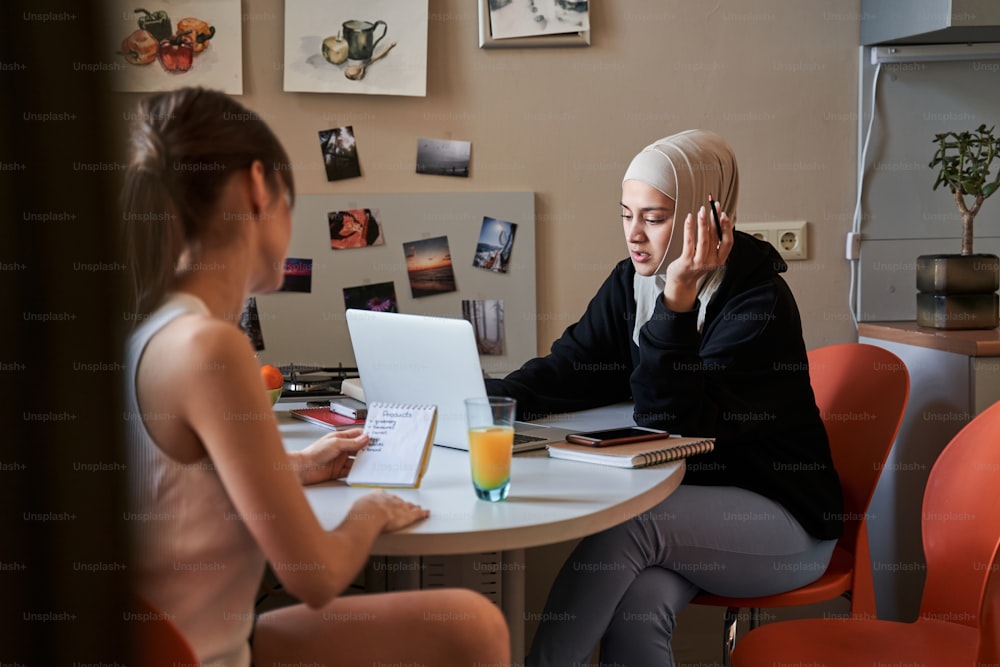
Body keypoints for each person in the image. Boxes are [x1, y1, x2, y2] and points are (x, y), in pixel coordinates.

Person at [121, 87, 510, 667]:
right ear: (258, 186)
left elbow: (182, 496)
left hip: (180, 644)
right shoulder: (211, 347)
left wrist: (297, 466)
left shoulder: (150, 331)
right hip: (203, 657)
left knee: (467, 627)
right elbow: (315, 576)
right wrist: (371, 510)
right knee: (472, 622)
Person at [485, 129, 844, 666]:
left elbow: (674, 425)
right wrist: (482, 397)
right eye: (626, 214)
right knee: (639, 605)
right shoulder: (633, 280)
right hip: (694, 514)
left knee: (630, 521)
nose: (635, 236)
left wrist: (676, 303)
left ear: (709, 215)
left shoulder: (757, 302)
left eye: (654, 218)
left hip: (785, 523)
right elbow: (571, 369)